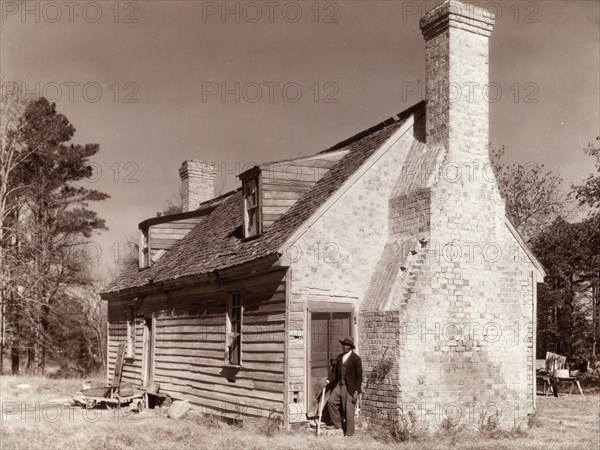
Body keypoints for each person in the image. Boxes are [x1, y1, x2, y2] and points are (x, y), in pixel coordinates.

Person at [320, 336, 362, 436]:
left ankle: (349, 433)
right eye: (343, 345)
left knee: (349, 409)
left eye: (347, 345)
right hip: (340, 385)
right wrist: (327, 381)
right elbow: (334, 373)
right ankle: (337, 424)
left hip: (350, 387)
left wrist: (356, 392)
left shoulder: (356, 359)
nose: (344, 347)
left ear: (351, 347)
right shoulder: (340, 357)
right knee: (331, 402)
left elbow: (359, 377)